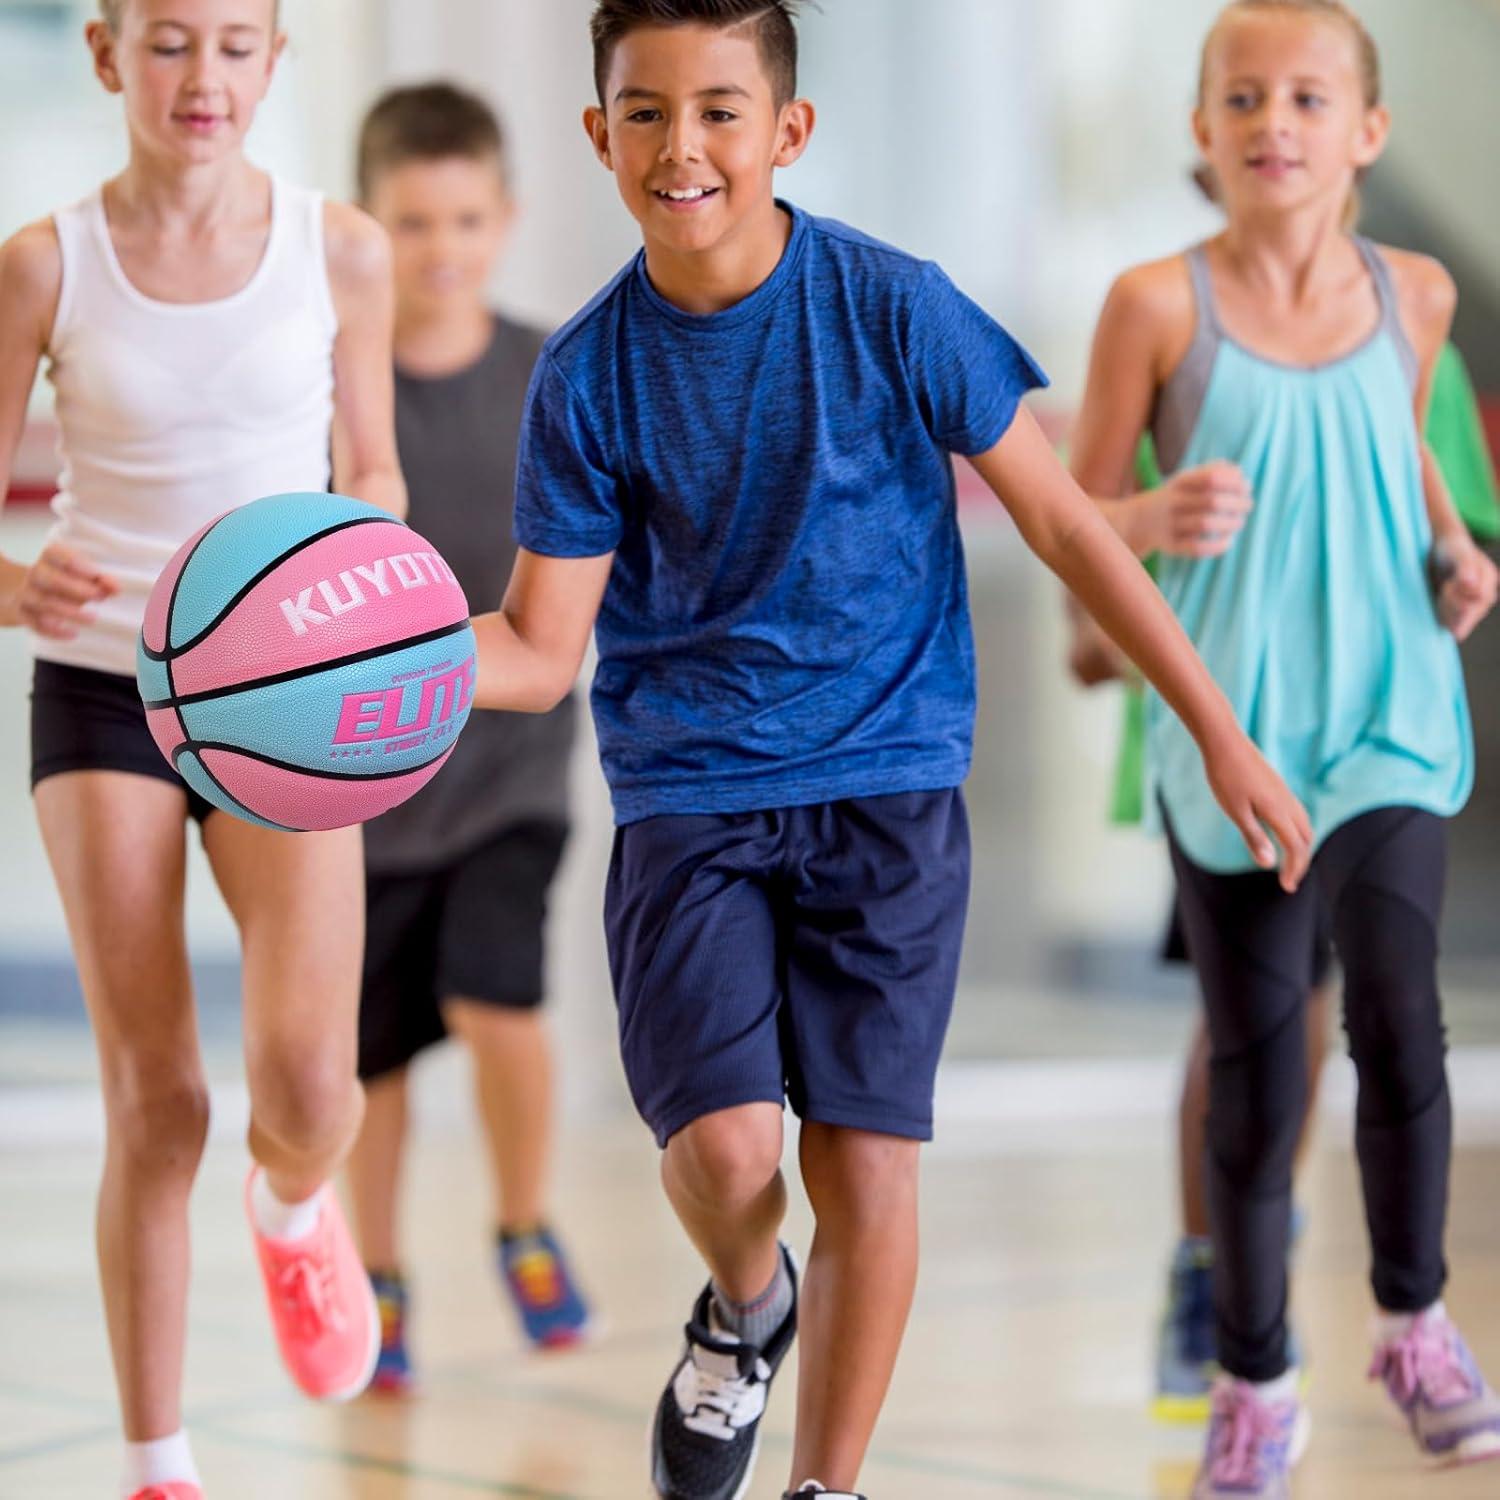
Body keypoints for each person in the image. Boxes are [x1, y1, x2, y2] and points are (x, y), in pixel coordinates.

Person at [460, 4, 1310, 1496]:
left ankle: (826, 1483)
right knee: (727, 1156)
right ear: (600, 136)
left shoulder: (892, 305)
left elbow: (1060, 521)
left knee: (866, 1163)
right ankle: (745, 1309)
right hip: (694, 800)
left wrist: (1219, 732)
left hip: (890, 789)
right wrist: (353, 664)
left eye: (722, 109)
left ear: (788, 130)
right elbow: (533, 653)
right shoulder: (586, 376)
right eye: (645, 113)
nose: (683, 147)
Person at [1068, 2, 1500, 1492]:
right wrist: (1148, 516)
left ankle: (1414, 1316)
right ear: (1202, 129)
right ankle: (1254, 1382)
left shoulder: (1421, 295)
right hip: (1234, 741)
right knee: (1259, 1071)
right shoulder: (1152, 307)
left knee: (1398, 1016)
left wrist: (1460, 559)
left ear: (1366, 133)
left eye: (1309, 98)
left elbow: (1421, 479)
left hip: (1387, 719)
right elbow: (1075, 529)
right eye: (1241, 97)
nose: (1274, 122)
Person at [0, 2, 404, 1495]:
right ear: (107, 56)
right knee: (156, 1095)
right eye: (170, 43)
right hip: (102, 690)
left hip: (284, 696)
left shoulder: (340, 247)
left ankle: (296, 1212)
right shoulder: (43, 261)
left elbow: (368, 462)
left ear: (276, 61)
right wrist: (12, 584)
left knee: (311, 1095)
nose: (204, 78)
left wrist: (376, 541)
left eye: (237, 44)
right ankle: (157, 1459)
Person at [342, 81, 591, 1390]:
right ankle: (376, 1280)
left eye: (464, 220)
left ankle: (522, 1220)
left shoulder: (549, 374)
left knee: (497, 998)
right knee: (370, 1064)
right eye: (412, 223)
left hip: (511, 773)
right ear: (366, 229)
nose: (441, 248)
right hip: (365, 793)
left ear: (505, 219)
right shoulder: (333, 394)